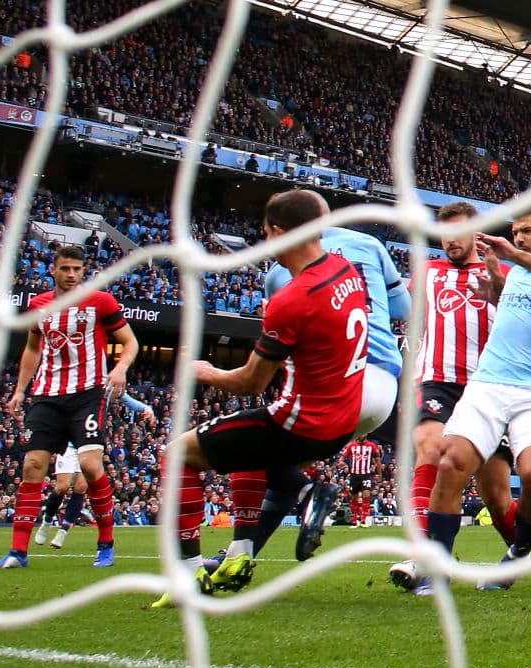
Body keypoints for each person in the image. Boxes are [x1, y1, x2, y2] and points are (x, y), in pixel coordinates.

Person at [150, 189, 368, 608]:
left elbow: (250, 381)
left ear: (275, 233)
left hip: (300, 424)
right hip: (342, 419)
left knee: (179, 454)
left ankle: (188, 573)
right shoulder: (346, 270)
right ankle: (242, 553)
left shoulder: (291, 300)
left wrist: (206, 371)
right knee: (246, 448)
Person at [210, 212, 410, 586]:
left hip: (335, 383)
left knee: (248, 447)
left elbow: (279, 335)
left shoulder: (278, 273)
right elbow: (403, 310)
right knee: (271, 461)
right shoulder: (370, 245)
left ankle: (305, 495)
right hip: (383, 388)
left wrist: (210, 372)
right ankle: (240, 557)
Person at [425, 202, 531, 591]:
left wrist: (512, 258)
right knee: (451, 462)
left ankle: (516, 556)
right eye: (515, 233)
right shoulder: (515, 275)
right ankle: (437, 569)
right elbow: (515, 310)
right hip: (489, 384)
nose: (518, 239)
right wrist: (496, 282)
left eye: (527, 232)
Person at [388, 201, 517, 594]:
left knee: (495, 495)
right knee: (430, 449)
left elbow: (524, 321)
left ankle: (521, 552)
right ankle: (427, 558)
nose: (448, 242)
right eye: (443, 234)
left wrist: (496, 281)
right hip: (436, 380)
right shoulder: (426, 273)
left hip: (487, 388)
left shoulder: (504, 273)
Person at [0, 246, 139, 570]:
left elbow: (130, 341)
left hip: (87, 393)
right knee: (32, 465)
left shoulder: (100, 301)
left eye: (77, 269)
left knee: (90, 466)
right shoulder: (38, 306)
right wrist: (19, 390)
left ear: (84, 272)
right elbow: (32, 349)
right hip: (46, 394)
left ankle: (106, 544)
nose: (71, 274)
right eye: (65, 268)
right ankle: (17, 552)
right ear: (53, 270)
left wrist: (121, 368)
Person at [34, 393, 154, 550]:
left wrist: (146, 408)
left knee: (80, 488)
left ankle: (63, 531)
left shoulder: (106, 385)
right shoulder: (77, 384)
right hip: (69, 444)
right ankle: (47, 521)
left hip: (90, 443)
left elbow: (124, 397)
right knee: (62, 487)